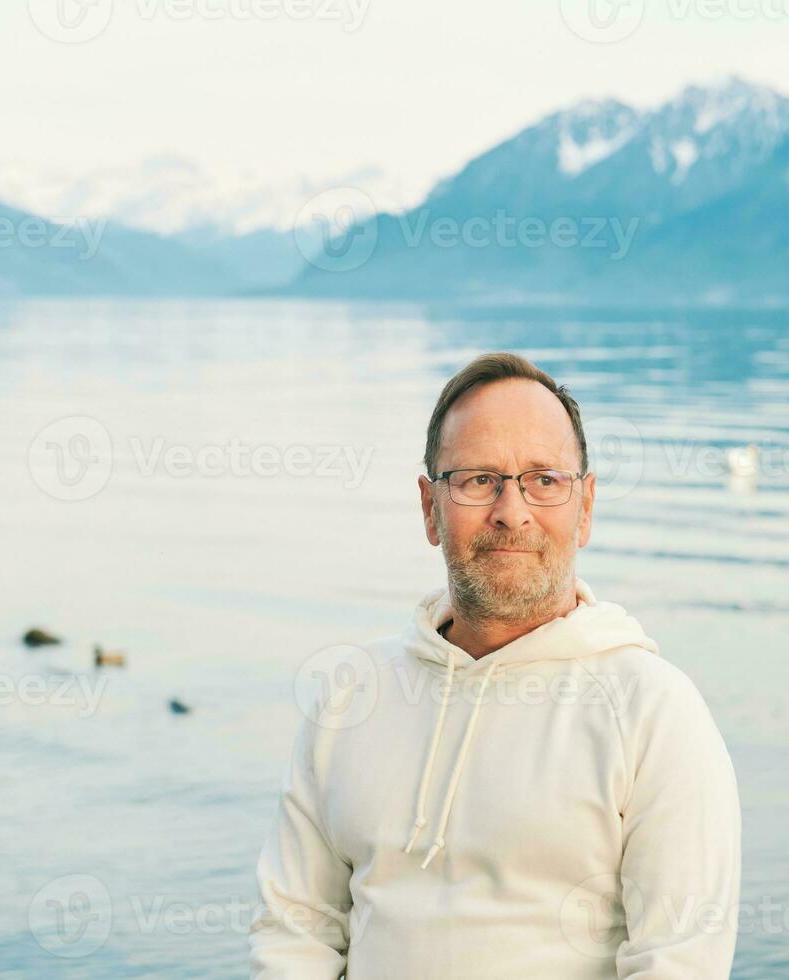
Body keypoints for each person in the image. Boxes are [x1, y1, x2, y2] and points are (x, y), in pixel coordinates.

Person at [249, 352, 741, 978]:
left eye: (544, 479)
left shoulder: (654, 712)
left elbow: (677, 963)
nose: (513, 510)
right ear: (430, 507)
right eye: (479, 479)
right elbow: (296, 932)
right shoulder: (354, 695)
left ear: (585, 506)